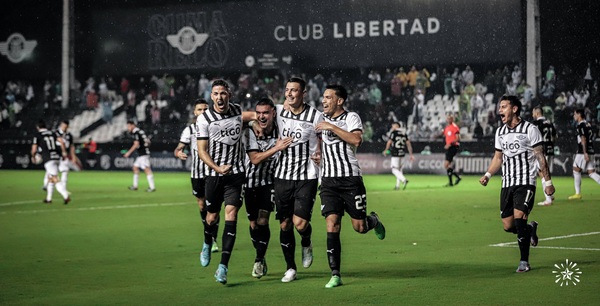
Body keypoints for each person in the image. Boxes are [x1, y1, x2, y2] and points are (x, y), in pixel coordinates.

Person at [316, 84, 386, 288]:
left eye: (328, 97)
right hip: (328, 181)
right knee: (332, 223)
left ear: (340, 100)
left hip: (350, 180)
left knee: (359, 227)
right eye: (323, 97)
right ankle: (335, 274)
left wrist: (332, 127)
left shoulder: (350, 118)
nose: (324, 100)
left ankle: (373, 220)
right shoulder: (319, 118)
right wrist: (319, 154)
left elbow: (356, 139)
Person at [479, 95, 554, 273]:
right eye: (500, 107)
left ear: (514, 109)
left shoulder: (530, 129)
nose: (500, 111)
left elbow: (540, 156)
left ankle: (524, 261)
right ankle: (530, 229)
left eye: (503, 107)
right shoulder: (500, 132)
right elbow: (498, 158)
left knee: (519, 218)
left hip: (526, 182)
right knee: (508, 225)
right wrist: (488, 175)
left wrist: (547, 181)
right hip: (507, 183)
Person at [196, 79, 246, 284]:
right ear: (211, 96)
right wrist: (217, 168)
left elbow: (254, 116)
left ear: (229, 94)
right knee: (211, 217)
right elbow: (201, 151)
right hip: (215, 176)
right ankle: (208, 241)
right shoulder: (204, 119)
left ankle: (223, 266)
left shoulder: (238, 111)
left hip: (236, 175)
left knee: (231, 214)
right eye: (216, 94)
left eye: (223, 93)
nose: (220, 97)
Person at [274, 77, 323, 283]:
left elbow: (323, 139)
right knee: (285, 224)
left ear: (303, 93)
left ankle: (306, 241)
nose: (290, 94)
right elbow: (256, 117)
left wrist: (321, 152)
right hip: (282, 176)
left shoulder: (315, 115)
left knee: (300, 223)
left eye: (294, 90)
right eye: (287, 90)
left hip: (307, 176)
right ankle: (290, 268)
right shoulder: (277, 111)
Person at [244, 98, 292, 279]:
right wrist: (276, 148)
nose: (262, 116)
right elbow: (255, 159)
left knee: (263, 219)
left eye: (266, 112)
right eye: (259, 113)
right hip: (249, 183)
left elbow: (287, 105)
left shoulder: (280, 129)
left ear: (273, 113)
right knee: (253, 223)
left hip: (270, 183)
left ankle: (259, 258)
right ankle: (260, 255)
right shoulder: (249, 132)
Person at [174, 99, 219, 254]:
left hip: (213, 172)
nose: (202, 112)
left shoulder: (216, 127)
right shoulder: (190, 130)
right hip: (197, 173)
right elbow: (179, 148)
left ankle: (212, 239)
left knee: (213, 207)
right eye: (199, 109)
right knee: (202, 205)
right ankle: (209, 234)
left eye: (205, 109)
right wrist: (179, 152)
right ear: (194, 112)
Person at [31, 120, 71, 204]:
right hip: (56, 157)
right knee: (50, 178)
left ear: (38, 127)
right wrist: (64, 152)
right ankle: (48, 199)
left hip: (48, 158)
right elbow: (62, 141)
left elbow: (34, 149)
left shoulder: (38, 135)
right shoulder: (53, 133)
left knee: (54, 178)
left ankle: (65, 196)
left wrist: (33, 156)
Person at [568, 109, 600, 200]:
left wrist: (585, 152)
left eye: (575, 114)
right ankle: (577, 193)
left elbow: (583, 139)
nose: (574, 116)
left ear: (579, 115)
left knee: (576, 170)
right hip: (591, 150)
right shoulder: (588, 124)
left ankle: (577, 193)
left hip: (583, 152)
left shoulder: (581, 125)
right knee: (591, 173)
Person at [532, 106, 558, 206]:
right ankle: (550, 195)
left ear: (537, 113)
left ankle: (548, 199)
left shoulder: (536, 124)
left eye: (533, 112)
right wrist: (550, 145)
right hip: (550, 150)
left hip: (542, 151)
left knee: (542, 172)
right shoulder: (550, 123)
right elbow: (555, 136)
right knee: (546, 171)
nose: (532, 114)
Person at [123, 120, 155, 192]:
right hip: (142, 153)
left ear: (133, 125)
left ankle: (152, 187)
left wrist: (128, 153)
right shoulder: (141, 131)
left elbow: (136, 144)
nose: (128, 128)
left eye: (129, 126)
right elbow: (148, 142)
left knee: (147, 169)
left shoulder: (136, 133)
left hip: (143, 154)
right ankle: (135, 186)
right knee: (135, 168)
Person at [382, 122, 414, 190]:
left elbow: (389, 142)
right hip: (402, 153)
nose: (392, 127)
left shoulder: (394, 133)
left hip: (395, 153)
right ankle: (397, 186)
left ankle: (404, 180)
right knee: (399, 170)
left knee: (394, 170)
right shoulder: (404, 133)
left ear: (396, 126)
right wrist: (411, 154)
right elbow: (408, 144)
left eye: (393, 126)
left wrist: (385, 150)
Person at [438, 114, 462, 186]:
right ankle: (453, 181)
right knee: (448, 166)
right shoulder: (447, 128)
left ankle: (456, 178)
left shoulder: (455, 127)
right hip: (450, 147)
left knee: (446, 165)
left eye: (450, 119)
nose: (449, 120)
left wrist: (450, 144)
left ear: (452, 119)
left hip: (453, 147)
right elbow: (444, 134)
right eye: (448, 119)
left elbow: (458, 138)